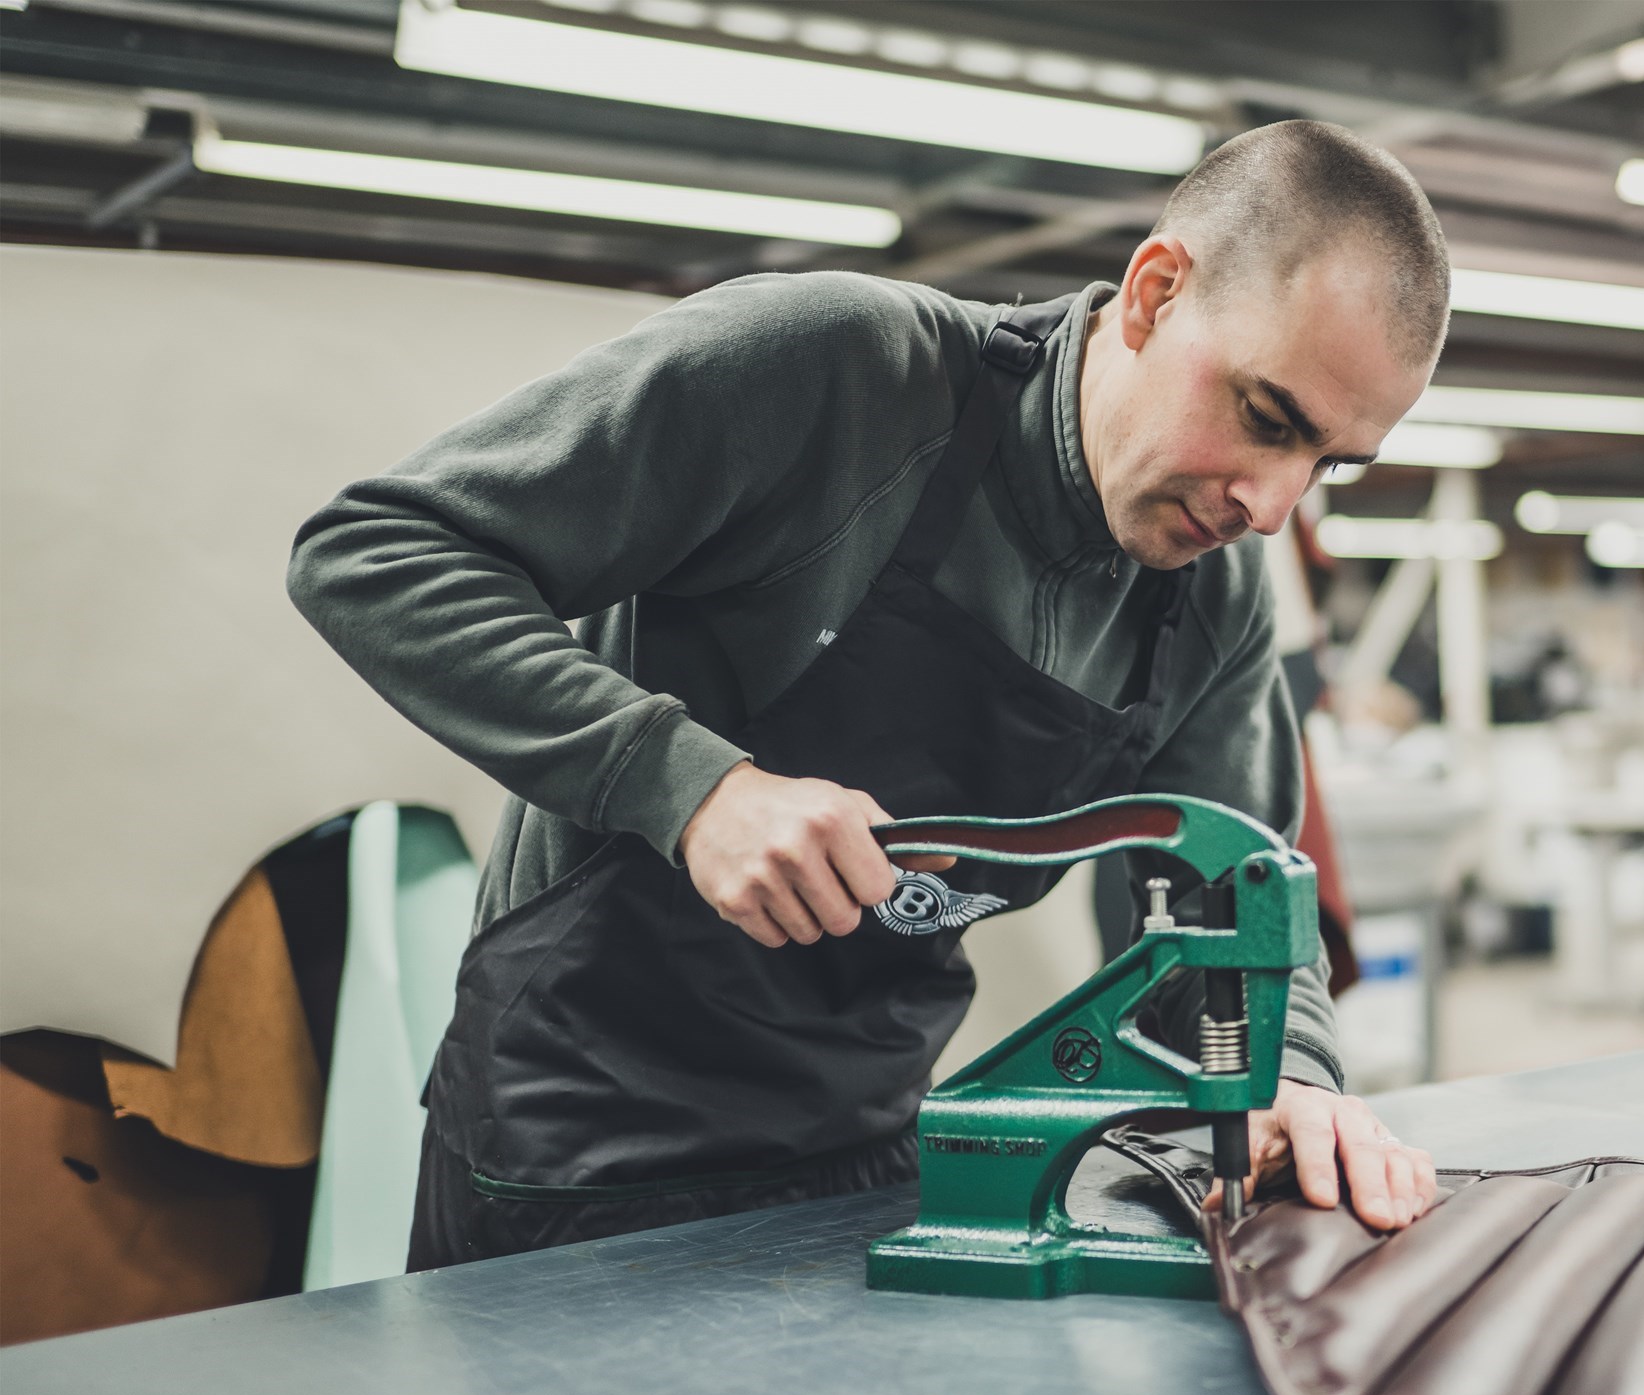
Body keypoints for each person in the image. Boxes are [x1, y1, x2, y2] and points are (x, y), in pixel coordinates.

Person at [288, 120, 1449, 1269]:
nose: (1272, 506)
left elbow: (1239, 897)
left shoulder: (1214, 594)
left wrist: (1292, 1074)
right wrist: (694, 788)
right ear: (1153, 293)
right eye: (1265, 419)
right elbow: (375, 553)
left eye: (1326, 463)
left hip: (866, 1160)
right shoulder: (834, 375)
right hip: (571, 1154)